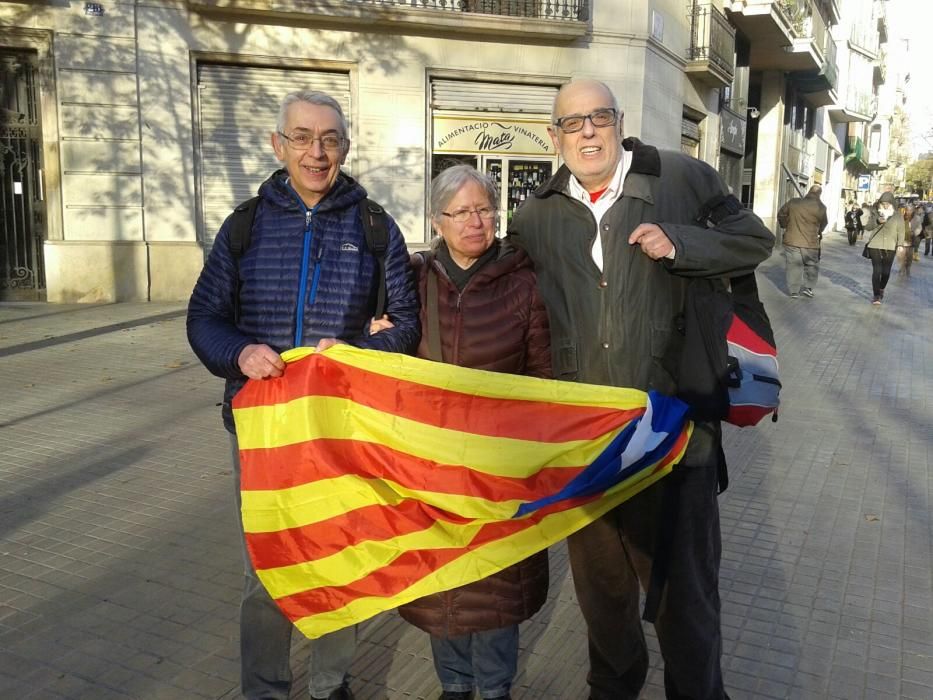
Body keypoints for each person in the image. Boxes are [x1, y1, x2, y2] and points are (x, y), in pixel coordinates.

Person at [507, 78, 773, 700]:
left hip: (678, 438)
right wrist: (408, 301)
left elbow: (754, 239)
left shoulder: (681, 178)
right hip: (590, 446)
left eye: (599, 117)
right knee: (603, 599)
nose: (588, 131)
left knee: (686, 601)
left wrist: (681, 242)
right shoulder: (536, 214)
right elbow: (499, 290)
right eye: (573, 123)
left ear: (619, 121)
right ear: (555, 137)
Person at [186, 90, 420, 700]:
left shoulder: (374, 227)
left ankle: (330, 684)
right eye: (302, 137)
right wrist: (238, 352)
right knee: (265, 572)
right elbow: (204, 317)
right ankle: (264, 688)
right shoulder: (245, 225)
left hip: (341, 431)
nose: (317, 152)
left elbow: (407, 325)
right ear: (278, 145)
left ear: (345, 146)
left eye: (330, 139)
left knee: (340, 563)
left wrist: (360, 353)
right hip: (261, 431)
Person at [373, 165, 551, 700]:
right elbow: (384, 351)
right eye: (462, 212)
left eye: (485, 209)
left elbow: (544, 382)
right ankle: (453, 684)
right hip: (428, 468)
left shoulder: (524, 285)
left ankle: (495, 688)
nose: (476, 222)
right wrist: (375, 336)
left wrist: (529, 457)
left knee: (496, 582)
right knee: (439, 581)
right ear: (437, 220)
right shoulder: (411, 280)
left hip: (499, 467)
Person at [777, 185, 827, 298]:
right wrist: (818, 231)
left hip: (792, 240)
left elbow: (781, 214)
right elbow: (824, 223)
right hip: (811, 243)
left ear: (808, 191)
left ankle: (794, 291)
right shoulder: (821, 207)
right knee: (811, 265)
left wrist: (785, 225)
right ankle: (808, 288)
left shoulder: (794, 202)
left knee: (793, 265)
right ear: (819, 194)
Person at [865, 191, 904, 304]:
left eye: (887, 203)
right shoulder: (875, 213)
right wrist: (877, 221)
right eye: (883, 203)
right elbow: (868, 227)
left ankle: (881, 288)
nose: (885, 205)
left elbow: (901, 231)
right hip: (875, 245)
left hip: (890, 245)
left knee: (886, 272)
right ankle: (876, 296)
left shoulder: (897, 215)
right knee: (877, 271)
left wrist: (900, 244)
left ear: (892, 203)